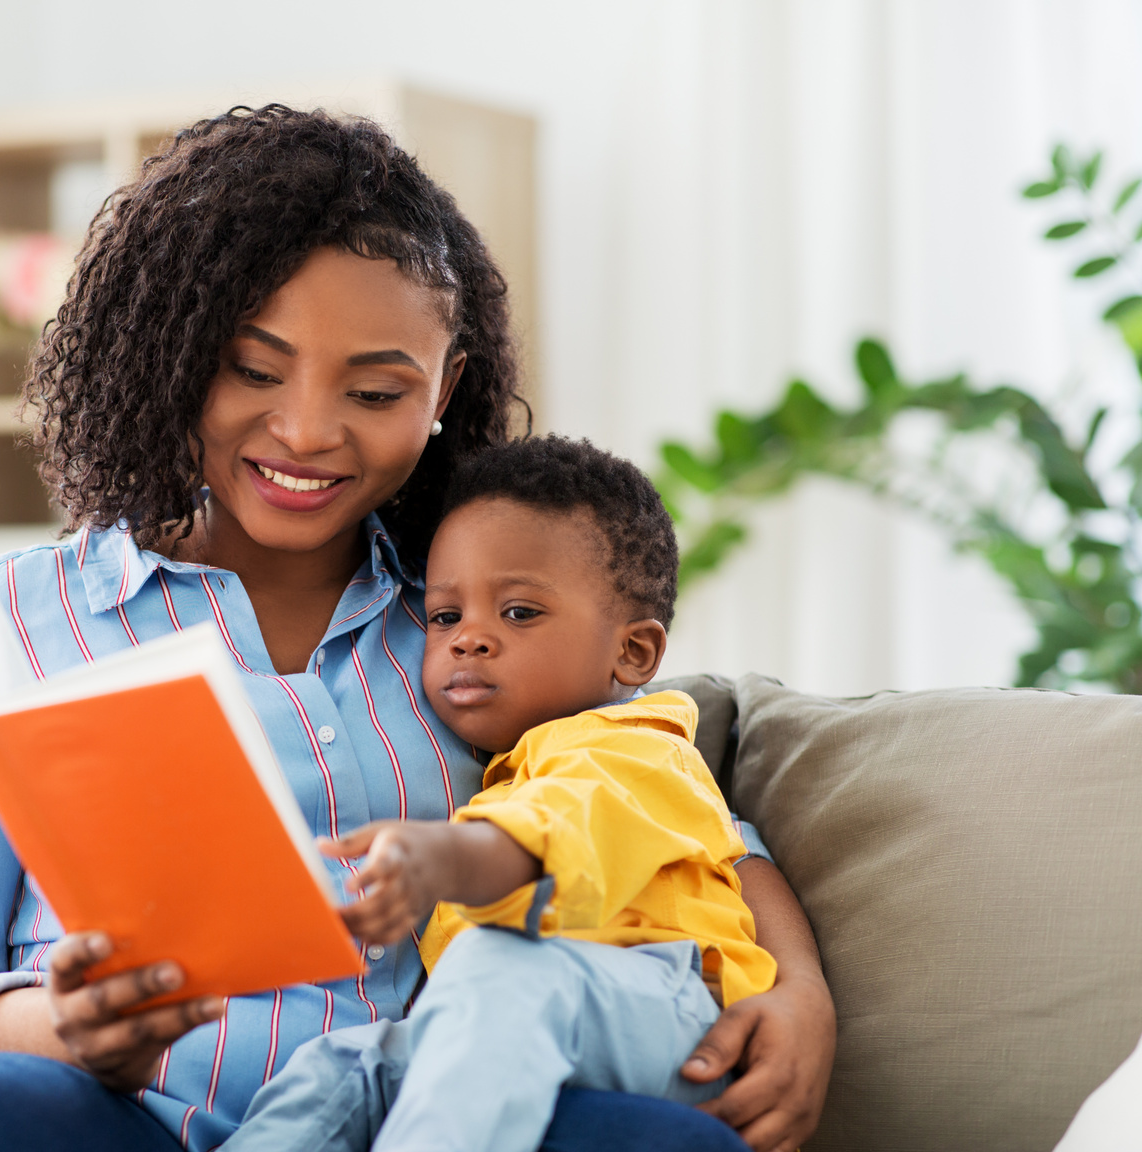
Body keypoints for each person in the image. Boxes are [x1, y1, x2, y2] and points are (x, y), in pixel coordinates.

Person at [0, 106, 834, 1152]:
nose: (307, 429)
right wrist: (59, 1028)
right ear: (174, 355)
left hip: (428, 1120)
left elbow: (676, 819)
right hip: (123, 1121)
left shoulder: (479, 623)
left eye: (375, 389)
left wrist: (802, 995)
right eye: (253, 370)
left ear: (444, 389)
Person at [221, 435, 776, 1152]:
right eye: (446, 616)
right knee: (343, 1065)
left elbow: (549, 834)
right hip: (516, 1022)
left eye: (518, 613)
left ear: (633, 652)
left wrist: (442, 858)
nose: (468, 639)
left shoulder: (635, 748)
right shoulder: (502, 765)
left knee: (501, 969)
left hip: (672, 1013)